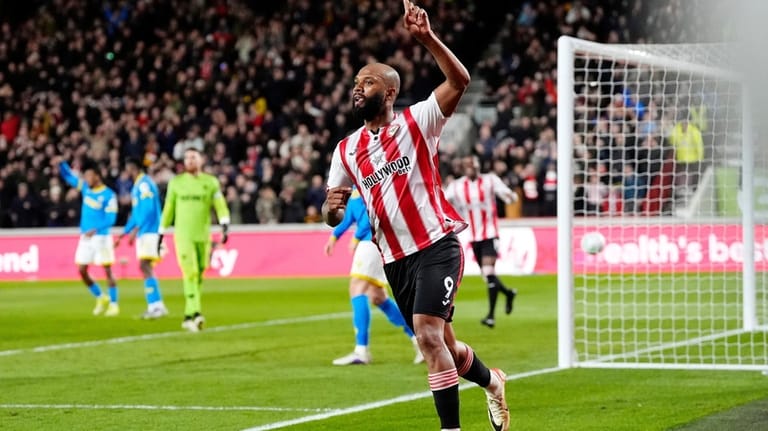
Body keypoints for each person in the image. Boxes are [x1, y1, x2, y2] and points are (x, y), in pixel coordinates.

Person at [322, 2, 510, 430]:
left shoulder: (417, 120)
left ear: (388, 92)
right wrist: (330, 212)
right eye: (355, 82)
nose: (357, 88)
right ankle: (493, 382)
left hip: (436, 245)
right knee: (444, 345)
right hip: (395, 259)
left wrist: (427, 38)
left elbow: (459, 80)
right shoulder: (346, 150)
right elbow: (332, 211)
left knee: (426, 334)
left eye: (366, 82)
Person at [324, 187, 424, 366]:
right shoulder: (354, 189)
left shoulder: (363, 182)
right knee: (377, 296)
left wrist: (356, 238)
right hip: (374, 242)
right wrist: (334, 237)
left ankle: (361, 351)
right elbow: (350, 217)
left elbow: (370, 214)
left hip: (370, 240)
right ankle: (420, 340)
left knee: (357, 288)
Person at [159, 148, 230, 332]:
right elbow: (169, 208)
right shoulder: (176, 183)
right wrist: (161, 232)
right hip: (183, 236)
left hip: (202, 235)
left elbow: (220, 205)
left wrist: (224, 225)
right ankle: (196, 312)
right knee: (189, 272)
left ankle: (188, 314)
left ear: (201, 160)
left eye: (193, 157)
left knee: (199, 272)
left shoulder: (211, 182)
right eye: (187, 158)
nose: (189, 160)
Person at [445, 156, 518, 329]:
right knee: (487, 276)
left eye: (474, 165)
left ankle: (491, 316)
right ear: (463, 168)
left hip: (490, 234)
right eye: (468, 166)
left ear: (479, 166)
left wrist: (511, 196)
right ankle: (508, 293)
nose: (472, 168)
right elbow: (441, 200)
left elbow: (509, 196)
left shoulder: (490, 180)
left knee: (488, 271)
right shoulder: (456, 186)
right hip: (473, 236)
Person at [57, 158, 120, 316]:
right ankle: (100, 296)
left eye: (89, 176)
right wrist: (61, 163)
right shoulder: (85, 188)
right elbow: (69, 177)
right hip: (86, 238)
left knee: (107, 270)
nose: (86, 179)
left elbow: (111, 219)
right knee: (82, 270)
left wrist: (96, 229)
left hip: (102, 238)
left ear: (97, 176)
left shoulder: (108, 195)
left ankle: (114, 304)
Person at [115, 158, 169, 319]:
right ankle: (157, 305)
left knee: (145, 266)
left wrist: (136, 229)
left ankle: (156, 306)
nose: (127, 173)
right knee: (145, 266)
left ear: (133, 168)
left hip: (149, 231)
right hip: (145, 231)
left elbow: (147, 209)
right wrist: (125, 232)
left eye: (128, 169)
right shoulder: (139, 184)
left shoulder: (144, 184)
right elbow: (137, 213)